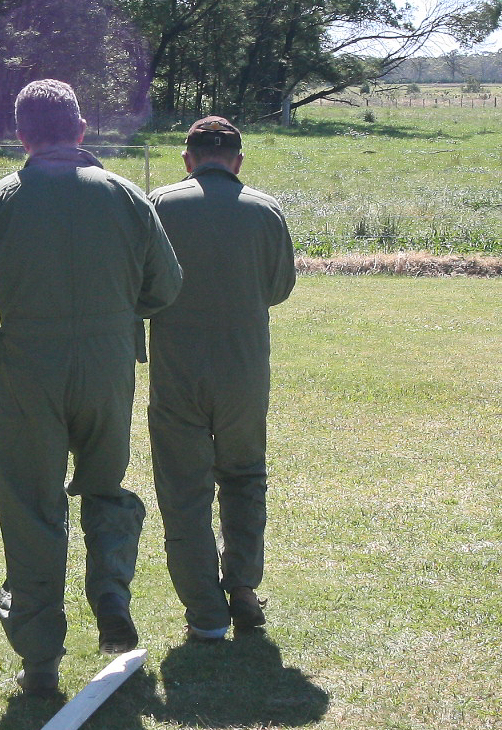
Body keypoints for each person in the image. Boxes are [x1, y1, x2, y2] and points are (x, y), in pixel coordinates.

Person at [0, 79, 182, 695]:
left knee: (31, 505)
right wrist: (119, 312)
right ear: (81, 130)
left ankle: (40, 659)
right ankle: (111, 595)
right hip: (109, 362)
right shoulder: (126, 195)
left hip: (29, 368)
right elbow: (167, 284)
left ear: (21, 136)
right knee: (106, 487)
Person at [147, 116, 295, 640]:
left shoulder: (160, 205)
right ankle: (244, 587)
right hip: (243, 370)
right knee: (244, 475)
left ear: (188, 159)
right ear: (238, 161)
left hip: (177, 370)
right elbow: (278, 288)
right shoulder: (265, 209)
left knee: (184, 489)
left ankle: (205, 612)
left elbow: (143, 286)